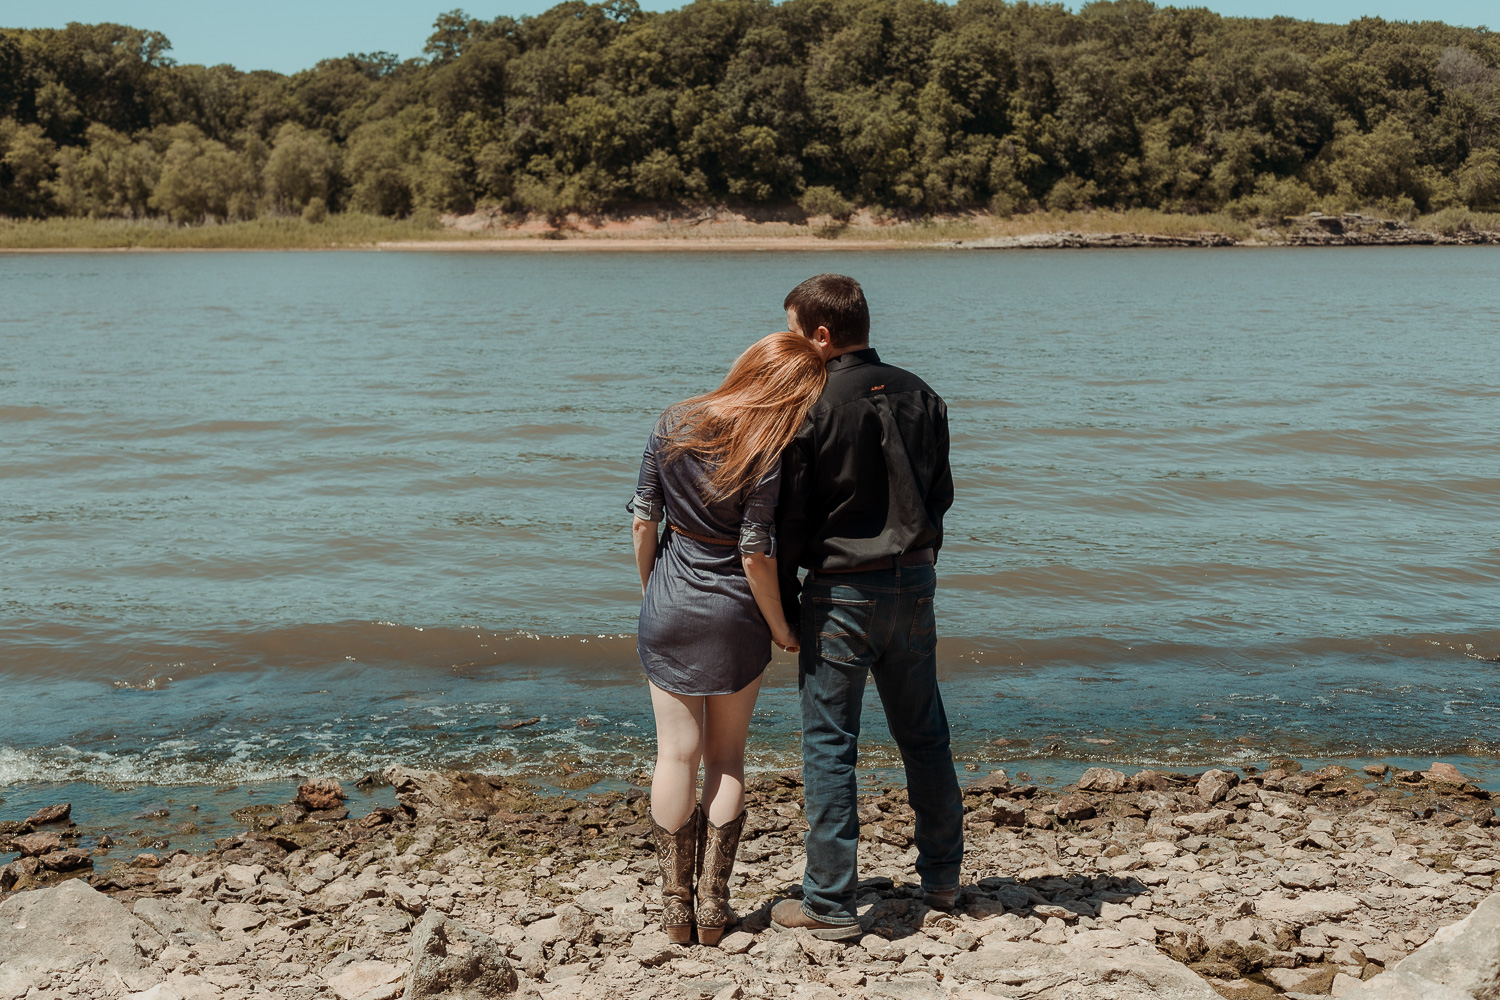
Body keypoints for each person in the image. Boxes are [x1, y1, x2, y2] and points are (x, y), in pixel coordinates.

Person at [769, 274, 964, 940]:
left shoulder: (810, 404)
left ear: (821, 334)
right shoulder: (922, 392)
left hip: (840, 589)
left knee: (830, 746)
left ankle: (828, 903)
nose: (789, 343)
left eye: (794, 330)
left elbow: (790, 519)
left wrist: (788, 601)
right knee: (925, 734)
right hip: (914, 582)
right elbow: (940, 494)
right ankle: (941, 877)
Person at [628, 331, 827, 945]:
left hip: (669, 600)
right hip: (736, 614)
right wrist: (780, 627)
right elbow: (754, 553)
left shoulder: (672, 423)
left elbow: (642, 517)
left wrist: (652, 589)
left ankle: (674, 912)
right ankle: (714, 910)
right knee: (726, 758)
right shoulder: (768, 448)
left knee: (673, 755)